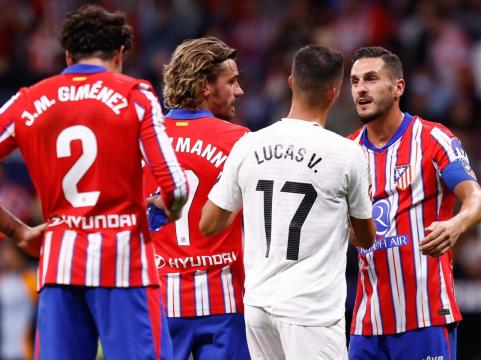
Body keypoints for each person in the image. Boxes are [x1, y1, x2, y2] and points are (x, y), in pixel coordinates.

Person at [0, 5, 188, 358]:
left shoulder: (28, 100)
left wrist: (18, 231)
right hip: (124, 265)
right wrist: (169, 208)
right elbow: (176, 187)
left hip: (58, 266)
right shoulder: (135, 93)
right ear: (119, 55)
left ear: (68, 56)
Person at [200, 44, 375, 359]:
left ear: (291, 82)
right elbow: (365, 238)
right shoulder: (347, 154)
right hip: (311, 312)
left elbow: (208, 223)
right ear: (334, 93)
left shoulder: (248, 145)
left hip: (258, 306)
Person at [347, 46, 481, 360]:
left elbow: (477, 200)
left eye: (371, 79)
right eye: (355, 81)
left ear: (398, 87)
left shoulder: (431, 138)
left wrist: (456, 223)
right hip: (366, 323)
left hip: (425, 317)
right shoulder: (347, 151)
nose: (361, 89)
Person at [143, 36, 250, 359]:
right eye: (231, 82)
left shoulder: (146, 138)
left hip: (160, 300)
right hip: (225, 304)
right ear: (205, 86)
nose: (239, 91)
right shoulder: (240, 141)